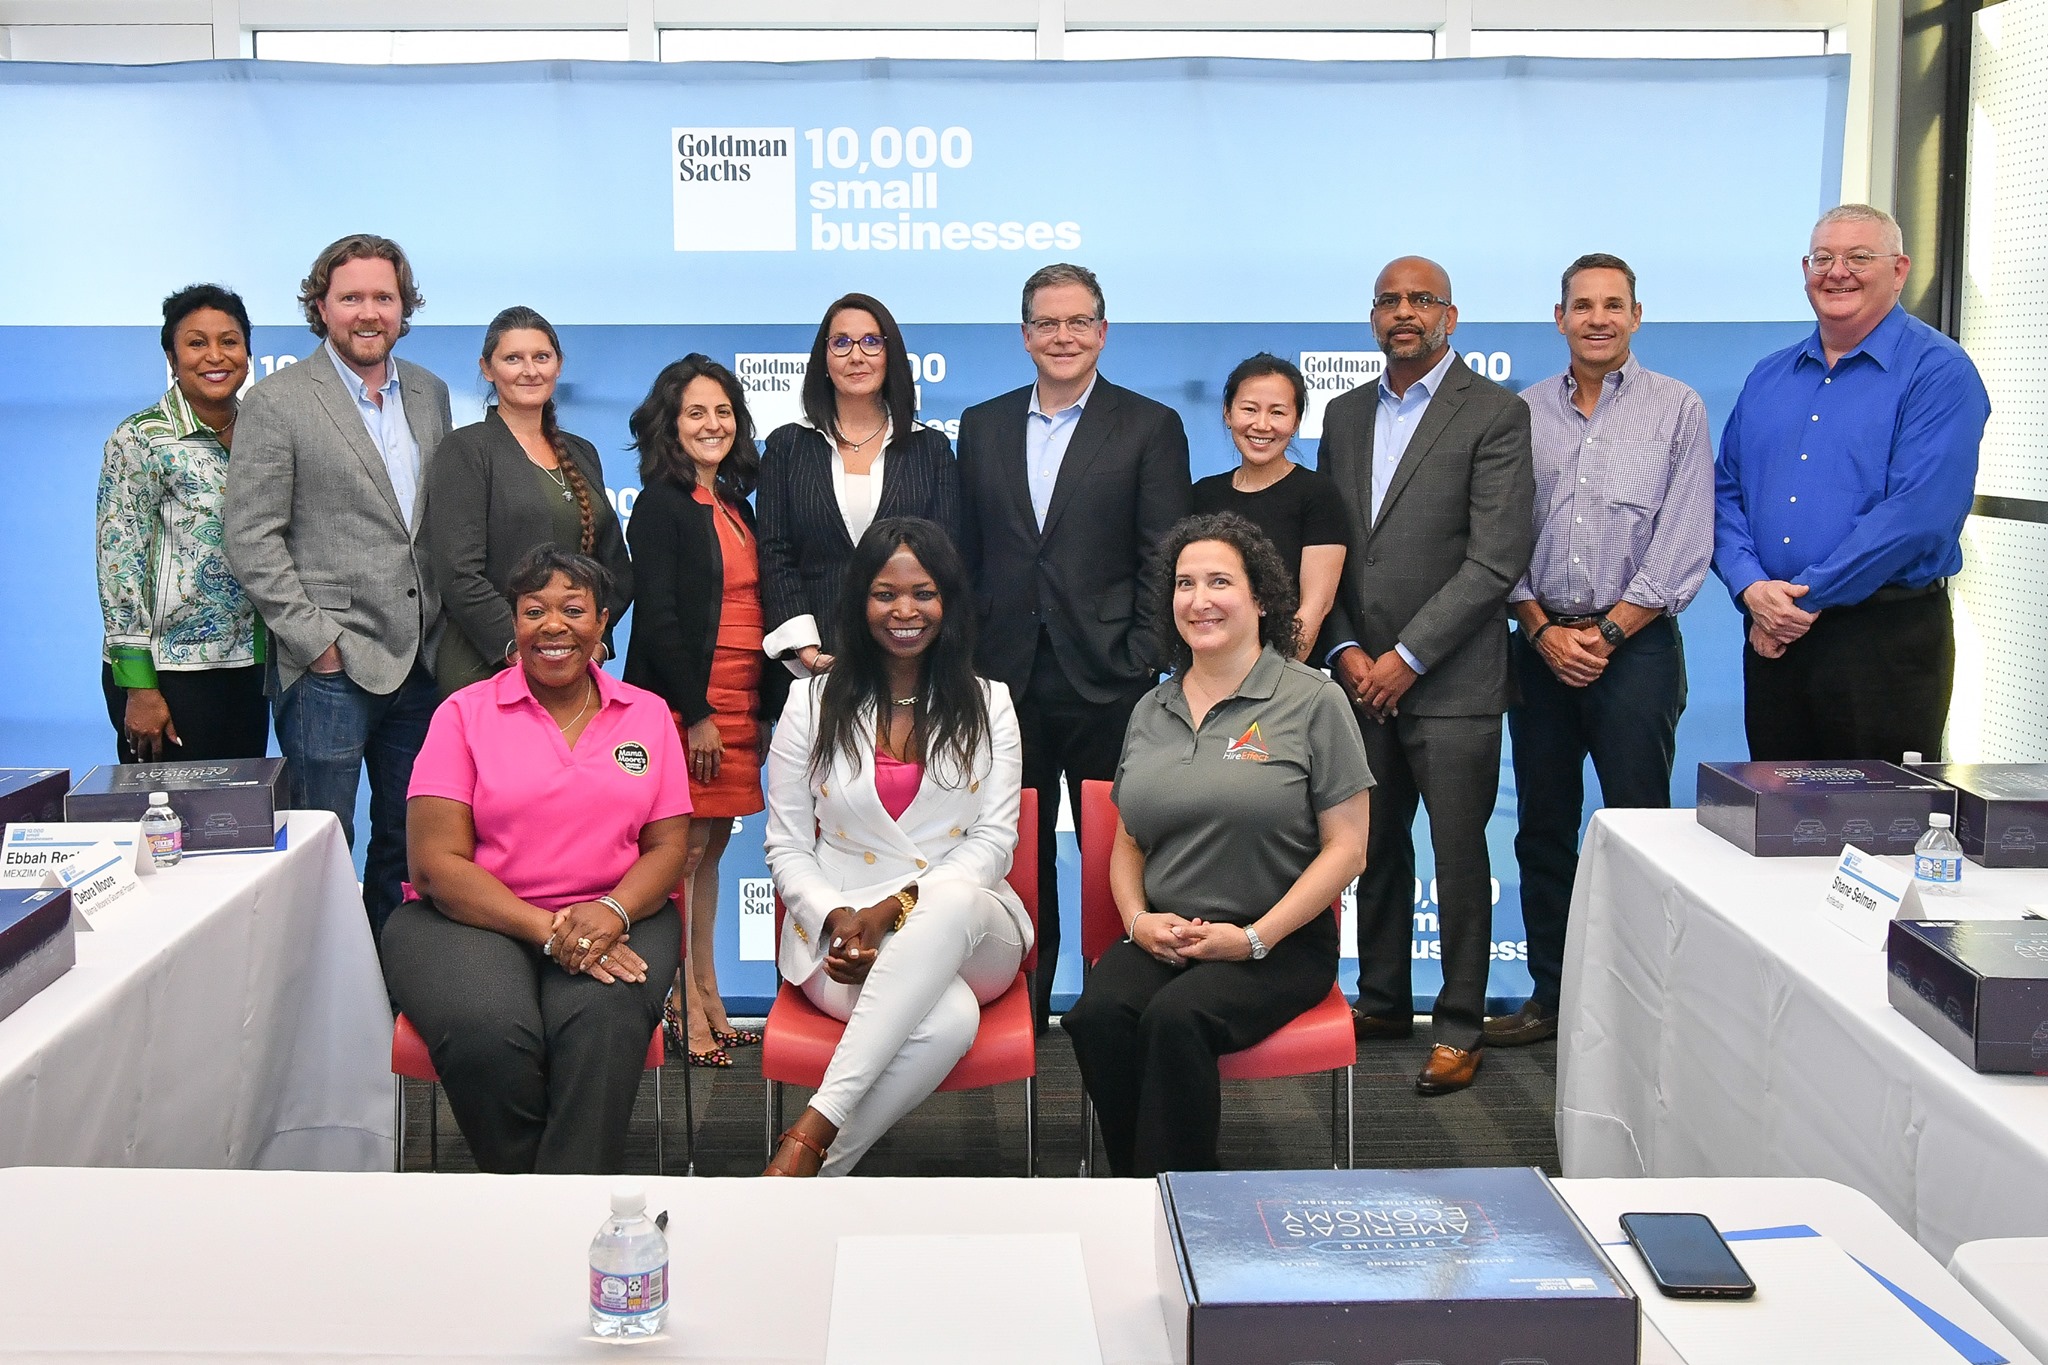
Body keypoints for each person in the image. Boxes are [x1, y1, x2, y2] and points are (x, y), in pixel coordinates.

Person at [1064, 513, 1372, 1177]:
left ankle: (1182, 1199)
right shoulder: (1151, 708)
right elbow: (1129, 839)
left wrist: (1254, 938)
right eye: (1185, 584)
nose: (1199, 599)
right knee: (1098, 1014)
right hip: (1169, 934)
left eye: (1219, 582)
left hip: (1279, 944)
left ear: (1261, 599)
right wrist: (1138, 922)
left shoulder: (1313, 700)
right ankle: (1140, 1186)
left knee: (1177, 1019)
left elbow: (1348, 850)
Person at [384, 546, 690, 1174]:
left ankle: (561, 1202)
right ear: (514, 622)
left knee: (602, 1024)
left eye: (573, 610)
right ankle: (533, 1198)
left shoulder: (648, 714)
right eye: (534, 611)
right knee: (489, 1031)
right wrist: (552, 931)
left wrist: (612, 911)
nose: (553, 626)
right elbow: (434, 865)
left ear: (602, 622)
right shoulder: (463, 714)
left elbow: (667, 849)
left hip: (619, 913)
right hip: (470, 919)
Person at [1316, 255, 1534, 1097]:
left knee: (1457, 856)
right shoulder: (1343, 415)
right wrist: (1345, 650)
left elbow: (1495, 560)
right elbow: (1328, 549)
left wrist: (1406, 658)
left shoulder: (1496, 412)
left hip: (1451, 682)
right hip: (1357, 678)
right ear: (1373, 317)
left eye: (1421, 299)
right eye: (1389, 300)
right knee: (1371, 848)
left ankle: (1459, 1024)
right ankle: (1380, 999)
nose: (1404, 312)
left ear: (1451, 315)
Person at [956, 262, 1193, 1030]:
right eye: (1048, 323)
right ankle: (1019, 1011)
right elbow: (965, 553)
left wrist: (1143, 654)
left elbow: (1166, 556)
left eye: (1079, 321)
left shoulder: (1150, 425)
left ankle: (1112, 1008)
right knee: (1014, 855)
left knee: (1112, 853)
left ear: (1103, 331)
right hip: (1004, 680)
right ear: (1025, 335)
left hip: (1110, 681)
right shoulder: (982, 425)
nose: (1064, 335)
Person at [761, 517, 1031, 1177]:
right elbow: (788, 846)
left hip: (974, 930)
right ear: (859, 601)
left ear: (949, 601)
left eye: (923, 593)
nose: (904, 610)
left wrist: (895, 909)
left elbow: (995, 842)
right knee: (948, 1019)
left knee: (953, 901)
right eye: (885, 593)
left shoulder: (990, 702)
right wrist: (837, 919)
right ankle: (818, 1173)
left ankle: (808, 1132)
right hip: (842, 938)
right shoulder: (809, 702)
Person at [1491, 254, 1714, 1049]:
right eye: (1582, 305)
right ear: (1560, 318)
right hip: (1540, 647)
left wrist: (1611, 630)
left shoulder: (1677, 407)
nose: (1597, 319)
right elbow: (1500, 537)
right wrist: (1541, 629)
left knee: (1640, 829)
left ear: (1636, 315)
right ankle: (1551, 997)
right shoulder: (1522, 412)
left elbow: (1685, 537)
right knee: (1542, 829)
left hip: (1638, 649)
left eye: (1612, 305)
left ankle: (1641, 1009)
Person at [224, 233, 452, 940]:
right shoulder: (277, 402)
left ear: (404, 306)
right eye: (351, 297)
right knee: (321, 847)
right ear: (320, 306)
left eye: (384, 296)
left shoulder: (431, 392)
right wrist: (317, 642)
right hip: (330, 669)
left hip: (423, 664)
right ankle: (316, 996)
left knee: (408, 845)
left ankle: (390, 983)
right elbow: (251, 538)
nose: (368, 312)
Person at [1714, 203, 1990, 762]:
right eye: (1823, 258)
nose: (1837, 272)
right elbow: (1725, 494)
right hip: (1773, 637)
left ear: (1899, 270)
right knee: (1777, 812)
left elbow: (1918, 514)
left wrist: (1799, 602)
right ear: (1805, 270)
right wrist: (1751, 588)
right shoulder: (1768, 375)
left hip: (1883, 642)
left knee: (1875, 814)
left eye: (1859, 257)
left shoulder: (1940, 372)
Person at [624, 354, 787, 1068]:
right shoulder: (660, 505)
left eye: (723, 411)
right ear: (670, 423)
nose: (712, 424)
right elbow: (658, 619)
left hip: (740, 702)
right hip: (689, 708)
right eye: (696, 412)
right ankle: (680, 1005)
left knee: (711, 853)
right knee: (680, 856)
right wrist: (694, 713)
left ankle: (709, 996)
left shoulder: (736, 505)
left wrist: (758, 709)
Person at [96, 283, 269, 764]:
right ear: (172, 359)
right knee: (169, 811)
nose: (215, 356)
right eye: (196, 343)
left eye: (229, 341)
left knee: (241, 807)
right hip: (166, 676)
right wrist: (139, 687)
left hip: (249, 667)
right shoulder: (139, 438)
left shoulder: (265, 434)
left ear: (247, 354)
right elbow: (118, 565)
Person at [423, 306, 631, 697]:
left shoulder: (582, 452)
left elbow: (615, 570)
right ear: (487, 368)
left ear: (559, 365)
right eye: (513, 359)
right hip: (488, 668)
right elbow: (458, 573)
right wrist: (523, 649)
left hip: (570, 670)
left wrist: (595, 643)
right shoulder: (466, 449)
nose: (530, 370)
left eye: (541, 357)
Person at [758, 293, 960, 680]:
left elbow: (944, 557)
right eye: (841, 343)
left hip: (911, 657)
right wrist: (806, 649)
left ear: (890, 355)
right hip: (810, 662)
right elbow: (775, 552)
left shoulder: (930, 448)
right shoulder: (788, 446)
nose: (856, 356)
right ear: (823, 359)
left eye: (871, 341)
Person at [1191, 353, 1348, 658]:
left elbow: (1316, 605)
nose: (1262, 425)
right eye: (1249, 409)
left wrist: (1273, 675)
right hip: (1212, 667)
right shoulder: (1203, 494)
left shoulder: (1318, 494)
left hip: (1286, 673)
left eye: (1277, 412)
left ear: (1296, 422)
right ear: (1227, 413)